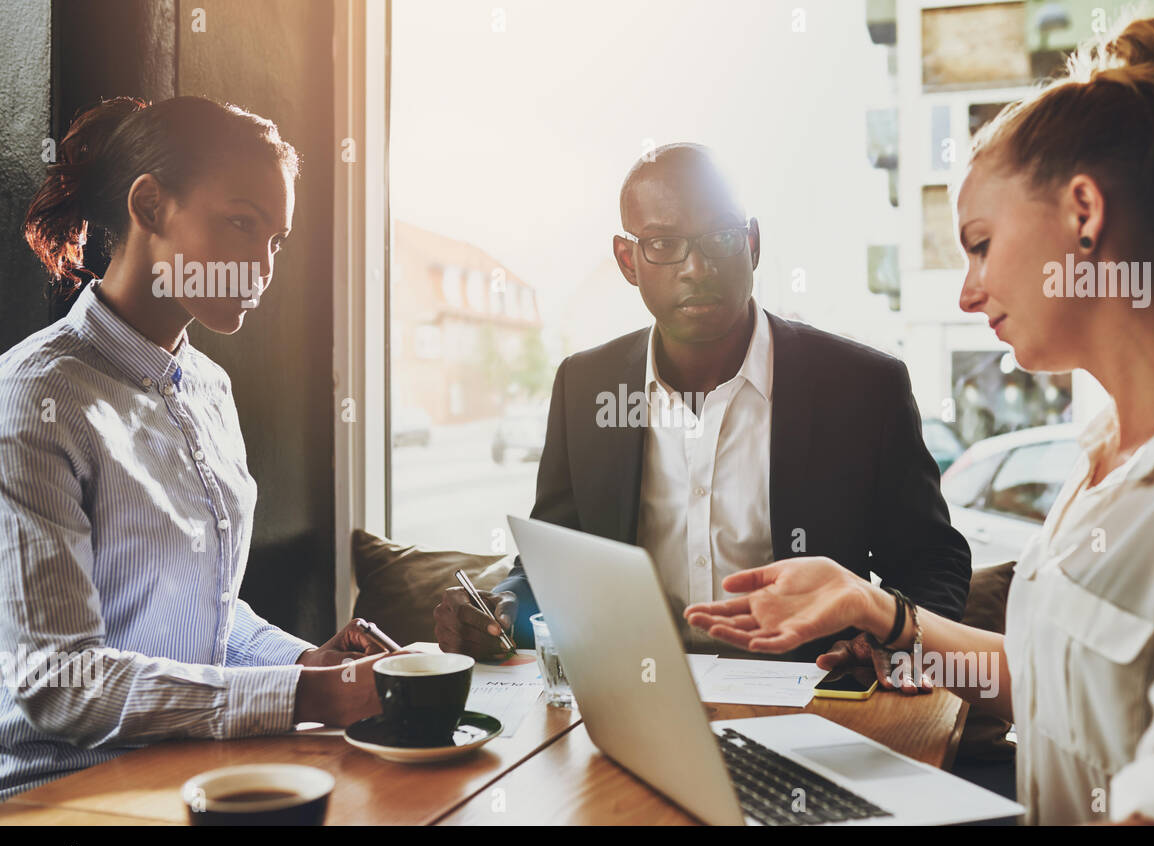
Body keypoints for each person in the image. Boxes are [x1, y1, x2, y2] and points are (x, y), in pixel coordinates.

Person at [684, 15, 1154, 825]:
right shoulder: (1105, 461)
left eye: (979, 244)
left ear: (1084, 212)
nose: (968, 292)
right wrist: (873, 609)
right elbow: (1052, 685)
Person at [435, 144, 971, 675]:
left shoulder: (863, 387)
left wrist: (890, 645)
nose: (695, 267)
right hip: (635, 697)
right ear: (628, 261)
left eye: (720, 237)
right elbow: (552, 564)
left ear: (753, 245)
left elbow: (932, 563)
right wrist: (500, 607)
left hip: (815, 698)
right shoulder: (584, 386)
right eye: (663, 243)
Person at [0, 97, 388, 800]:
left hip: (189, 773)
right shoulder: (36, 398)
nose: (263, 267)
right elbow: (58, 684)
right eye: (242, 222)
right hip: (63, 797)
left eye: (276, 238)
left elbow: (199, 616)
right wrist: (307, 701)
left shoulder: (208, 387)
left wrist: (310, 667)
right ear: (149, 204)